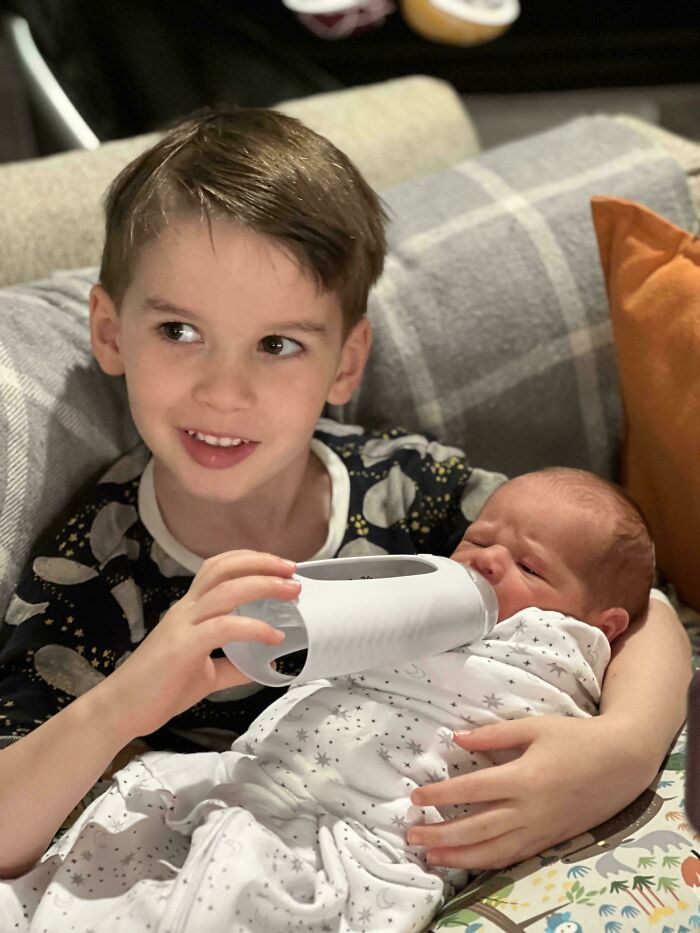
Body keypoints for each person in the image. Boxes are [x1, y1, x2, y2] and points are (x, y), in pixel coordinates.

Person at [0, 109, 690, 883]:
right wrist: (124, 703)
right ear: (109, 332)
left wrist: (622, 751)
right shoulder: (93, 568)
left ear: (344, 363)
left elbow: (638, 601)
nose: (225, 391)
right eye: (180, 332)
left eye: (278, 344)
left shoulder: (407, 489)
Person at [0, 467, 657, 931]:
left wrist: (625, 742)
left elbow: (652, 605)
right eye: (479, 541)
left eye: (530, 567)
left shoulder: (554, 642)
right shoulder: (101, 545)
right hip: (244, 783)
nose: (486, 562)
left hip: (359, 839)